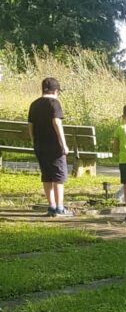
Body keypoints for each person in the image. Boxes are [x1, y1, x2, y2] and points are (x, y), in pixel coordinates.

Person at [27, 76, 69, 217]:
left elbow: (30, 125)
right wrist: (64, 144)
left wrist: (34, 140)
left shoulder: (34, 104)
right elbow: (57, 123)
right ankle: (60, 207)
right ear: (56, 91)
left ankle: (51, 206)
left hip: (40, 144)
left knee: (46, 175)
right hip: (54, 145)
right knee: (58, 176)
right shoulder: (54, 103)